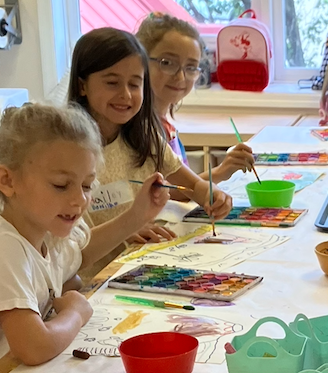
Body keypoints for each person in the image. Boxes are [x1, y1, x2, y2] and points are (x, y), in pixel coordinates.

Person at [0, 103, 169, 364]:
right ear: (8, 181)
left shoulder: (44, 232)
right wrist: (76, 313)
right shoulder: (5, 246)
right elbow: (34, 347)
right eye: (61, 185)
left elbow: (80, 254)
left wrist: (137, 216)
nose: (79, 198)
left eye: (87, 185)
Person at [67, 28, 231, 267]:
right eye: (112, 83)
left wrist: (212, 195)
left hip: (142, 262)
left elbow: (191, 185)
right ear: (82, 86)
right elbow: (66, 244)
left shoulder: (145, 135)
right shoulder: (66, 151)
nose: (125, 95)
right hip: (95, 279)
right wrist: (125, 229)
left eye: (135, 84)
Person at [135, 13, 255, 180]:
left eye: (191, 67)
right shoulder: (141, 129)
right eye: (167, 63)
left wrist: (224, 169)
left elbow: (177, 186)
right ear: (140, 61)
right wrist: (222, 171)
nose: (180, 77)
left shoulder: (162, 124)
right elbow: (174, 191)